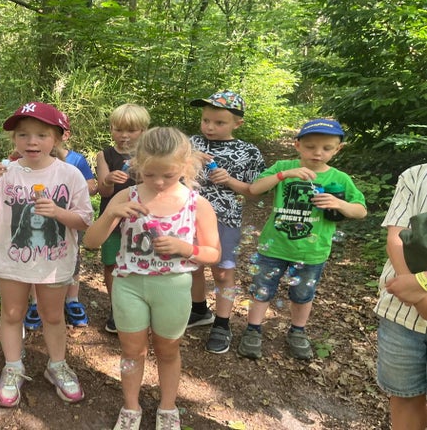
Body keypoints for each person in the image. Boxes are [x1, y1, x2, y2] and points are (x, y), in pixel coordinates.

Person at [84, 126, 220, 430]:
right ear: (137, 165)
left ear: (185, 166)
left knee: (168, 350)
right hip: (129, 285)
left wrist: (186, 248)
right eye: (149, 174)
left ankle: (168, 408)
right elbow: (91, 242)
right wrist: (112, 213)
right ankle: (130, 408)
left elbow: (213, 253)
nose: (158, 182)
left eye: (168, 175)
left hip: (173, 287)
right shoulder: (126, 196)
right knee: (132, 351)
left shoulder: (196, 204)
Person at [0, 102, 93, 408]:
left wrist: (58, 212)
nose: (31, 142)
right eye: (23, 135)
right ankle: (13, 366)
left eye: (41, 135)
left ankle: (57, 365)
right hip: (12, 261)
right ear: (14, 139)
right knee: (12, 314)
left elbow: (84, 220)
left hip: (54, 262)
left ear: (58, 138)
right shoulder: (5, 174)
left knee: (53, 315)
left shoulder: (70, 174)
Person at [238, 118, 367, 360]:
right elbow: (255, 189)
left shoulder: (340, 179)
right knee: (261, 290)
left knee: (302, 295)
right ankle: (253, 329)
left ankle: (297, 331)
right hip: (274, 247)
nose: (318, 153)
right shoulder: (283, 167)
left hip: (312, 252)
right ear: (297, 145)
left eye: (327, 148)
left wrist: (339, 204)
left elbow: (360, 211)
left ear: (338, 149)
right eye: (310, 147)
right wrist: (283, 175)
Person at [187, 90, 265, 354]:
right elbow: (169, 169)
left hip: (225, 219)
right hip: (188, 216)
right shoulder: (191, 143)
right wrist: (189, 158)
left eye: (219, 122)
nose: (210, 127)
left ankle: (222, 324)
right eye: (205, 120)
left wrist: (229, 181)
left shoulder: (249, 151)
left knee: (222, 272)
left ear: (237, 123)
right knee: (193, 265)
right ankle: (199, 310)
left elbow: (256, 191)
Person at [25, 129, 98, 329]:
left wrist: (73, 183)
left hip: (68, 220)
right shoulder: (28, 159)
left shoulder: (76, 160)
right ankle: (35, 302)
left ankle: (72, 300)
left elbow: (92, 187)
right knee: (34, 257)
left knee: (72, 259)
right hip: (36, 221)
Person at [374, 164, 427, 429]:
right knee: (404, 395)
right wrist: (411, 288)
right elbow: (396, 237)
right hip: (402, 315)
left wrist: (419, 286)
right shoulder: (416, 175)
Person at [95, 103, 150, 333]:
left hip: (142, 220)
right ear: (111, 129)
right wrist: (108, 180)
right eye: (118, 129)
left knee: (141, 261)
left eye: (131, 130)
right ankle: (117, 308)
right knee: (112, 263)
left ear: (143, 131)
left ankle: (141, 307)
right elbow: (103, 191)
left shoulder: (150, 154)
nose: (124, 135)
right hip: (112, 220)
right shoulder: (104, 155)